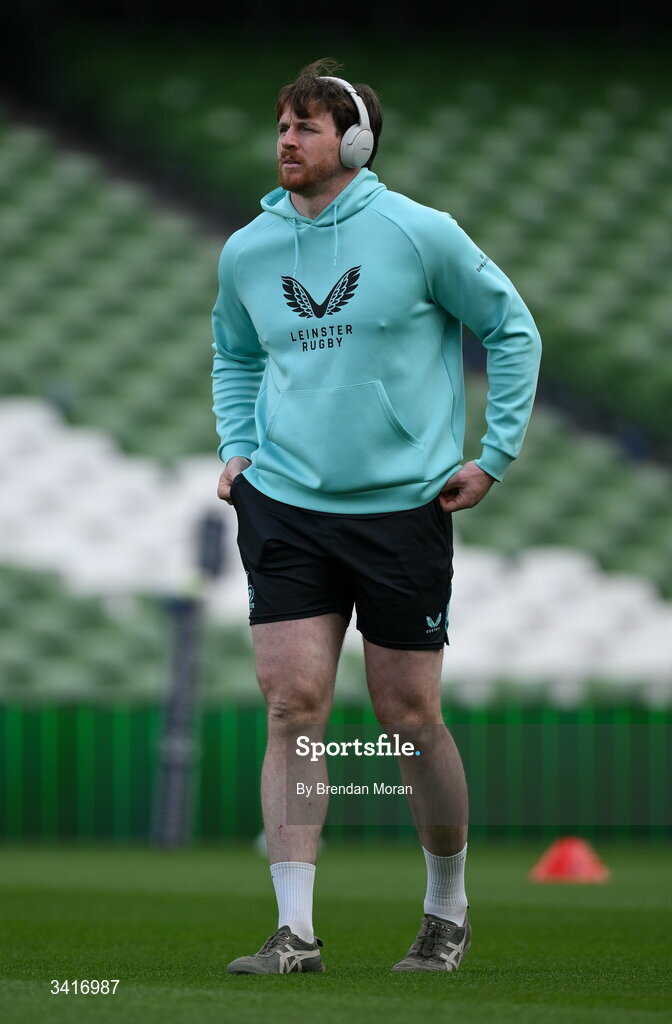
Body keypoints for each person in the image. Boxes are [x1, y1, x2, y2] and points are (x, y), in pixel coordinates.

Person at [211, 58, 541, 975]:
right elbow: (233, 353)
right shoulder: (247, 250)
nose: (287, 139)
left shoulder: (419, 231)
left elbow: (512, 329)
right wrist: (237, 445)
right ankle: (295, 932)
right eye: (282, 124)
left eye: (307, 126)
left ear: (354, 143)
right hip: (284, 504)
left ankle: (446, 911)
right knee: (292, 707)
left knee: (409, 718)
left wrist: (494, 456)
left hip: (402, 510)